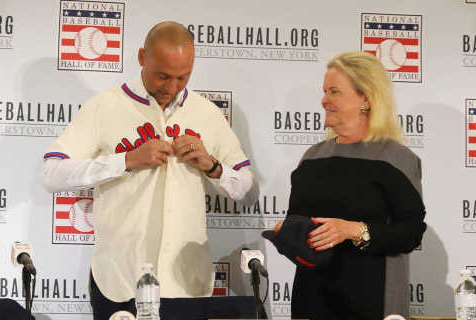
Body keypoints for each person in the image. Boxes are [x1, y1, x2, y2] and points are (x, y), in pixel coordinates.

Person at [42, 22, 259, 320]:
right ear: (143, 58)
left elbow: (248, 192)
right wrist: (125, 161)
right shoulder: (105, 106)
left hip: (186, 284)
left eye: (183, 77)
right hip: (120, 279)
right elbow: (52, 173)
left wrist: (211, 165)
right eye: (163, 76)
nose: (171, 87)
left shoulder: (207, 113)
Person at [273, 51, 426, 320]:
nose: (324, 100)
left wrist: (353, 230)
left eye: (334, 92)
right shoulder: (312, 157)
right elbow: (299, 224)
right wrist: (288, 233)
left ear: (365, 99)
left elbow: (411, 232)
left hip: (372, 300)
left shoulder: (395, 158)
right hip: (312, 299)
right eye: (324, 91)